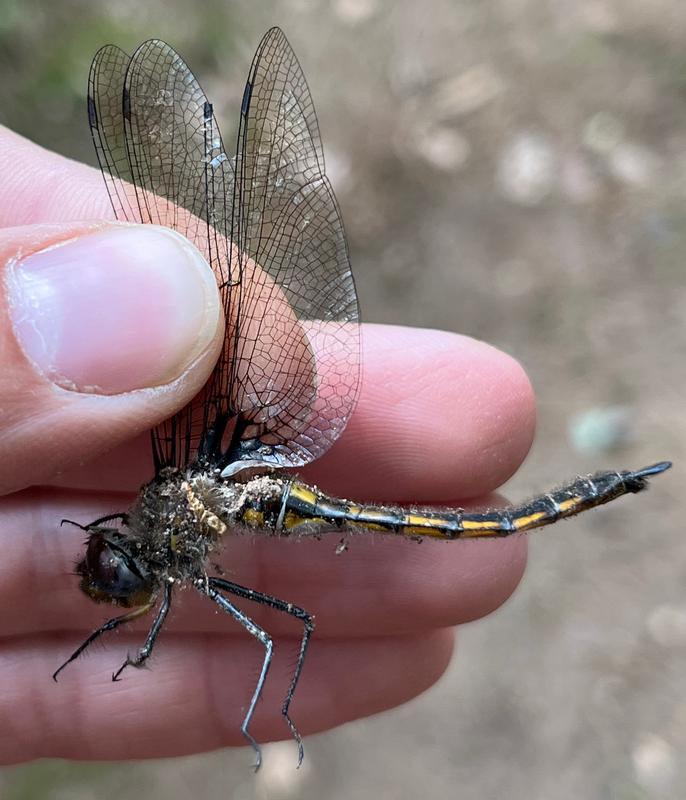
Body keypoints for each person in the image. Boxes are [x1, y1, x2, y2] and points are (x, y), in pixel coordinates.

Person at [0, 125, 530, 763]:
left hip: (248, 495)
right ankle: (269, 717)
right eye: (114, 557)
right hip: (236, 487)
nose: (109, 555)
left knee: (289, 628)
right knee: (293, 625)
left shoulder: (167, 558)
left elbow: (163, 613)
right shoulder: (170, 495)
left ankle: (268, 718)